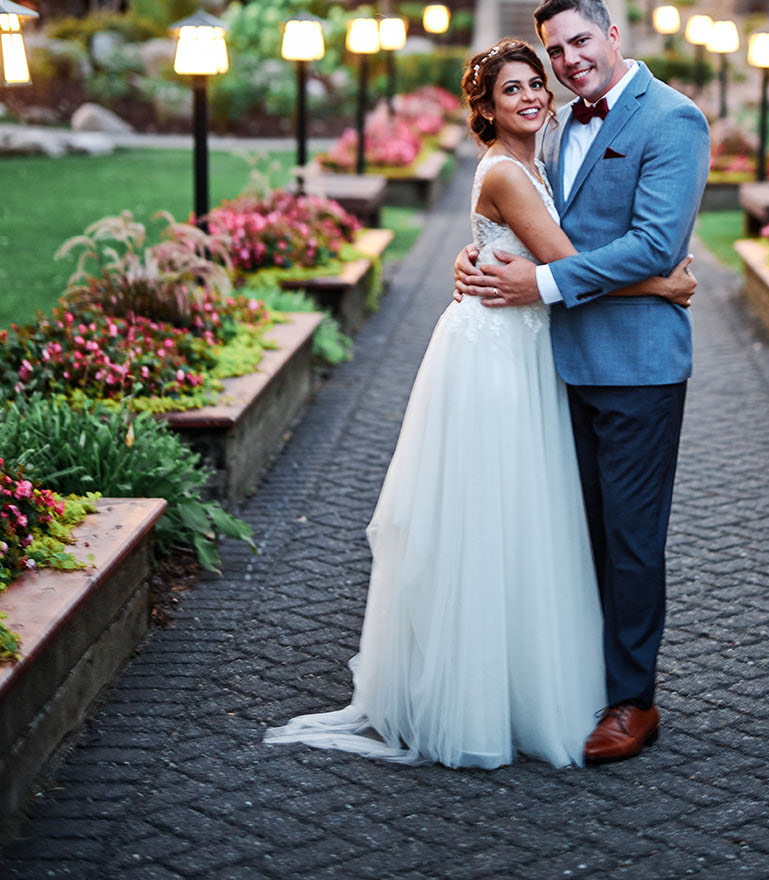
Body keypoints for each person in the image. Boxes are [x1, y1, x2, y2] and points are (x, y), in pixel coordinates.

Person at [264, 38, 692, 771]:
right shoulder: (508, 171)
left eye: (535, 83)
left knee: (524, 519)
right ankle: (482, 690)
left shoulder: (545, 152)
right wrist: (661, 285)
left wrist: (485, 256)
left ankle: (529, 675)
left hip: (529, 347)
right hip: (497, 355)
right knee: (495, 519)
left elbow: (558, 255)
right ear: (486, 109)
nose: (529, 96)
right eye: (511, 90)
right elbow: (561, 263)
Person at [457, 0, 710, 765]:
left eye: (578, 44)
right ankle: (571, 680)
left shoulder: (672, 119)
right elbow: (529, 220)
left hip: (634, 366)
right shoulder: (558, 120)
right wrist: (477, 254)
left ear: (612, 33)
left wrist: (537, 284)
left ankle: (632, 701)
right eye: (554, 52)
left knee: (631, 543)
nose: (567, 63)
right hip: (547, 365)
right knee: (568, 536)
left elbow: (653, 245)